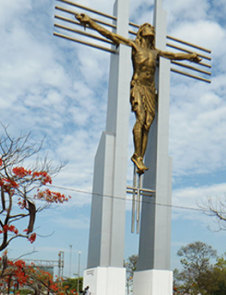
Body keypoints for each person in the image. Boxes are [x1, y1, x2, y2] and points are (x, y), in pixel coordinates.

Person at [75, 13, 201, 174]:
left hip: (150, 90)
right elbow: (110, 35)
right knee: (140, 118)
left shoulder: (156, 52)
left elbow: (174, 55)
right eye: (148, 26)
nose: (152, 29)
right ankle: (137, 156)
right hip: (138, 86)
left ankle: (140, 155)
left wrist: (190, 56)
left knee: (148, 123)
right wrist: (91, 22)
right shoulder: (134, 46)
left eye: (153, 27)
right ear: (141, 32)